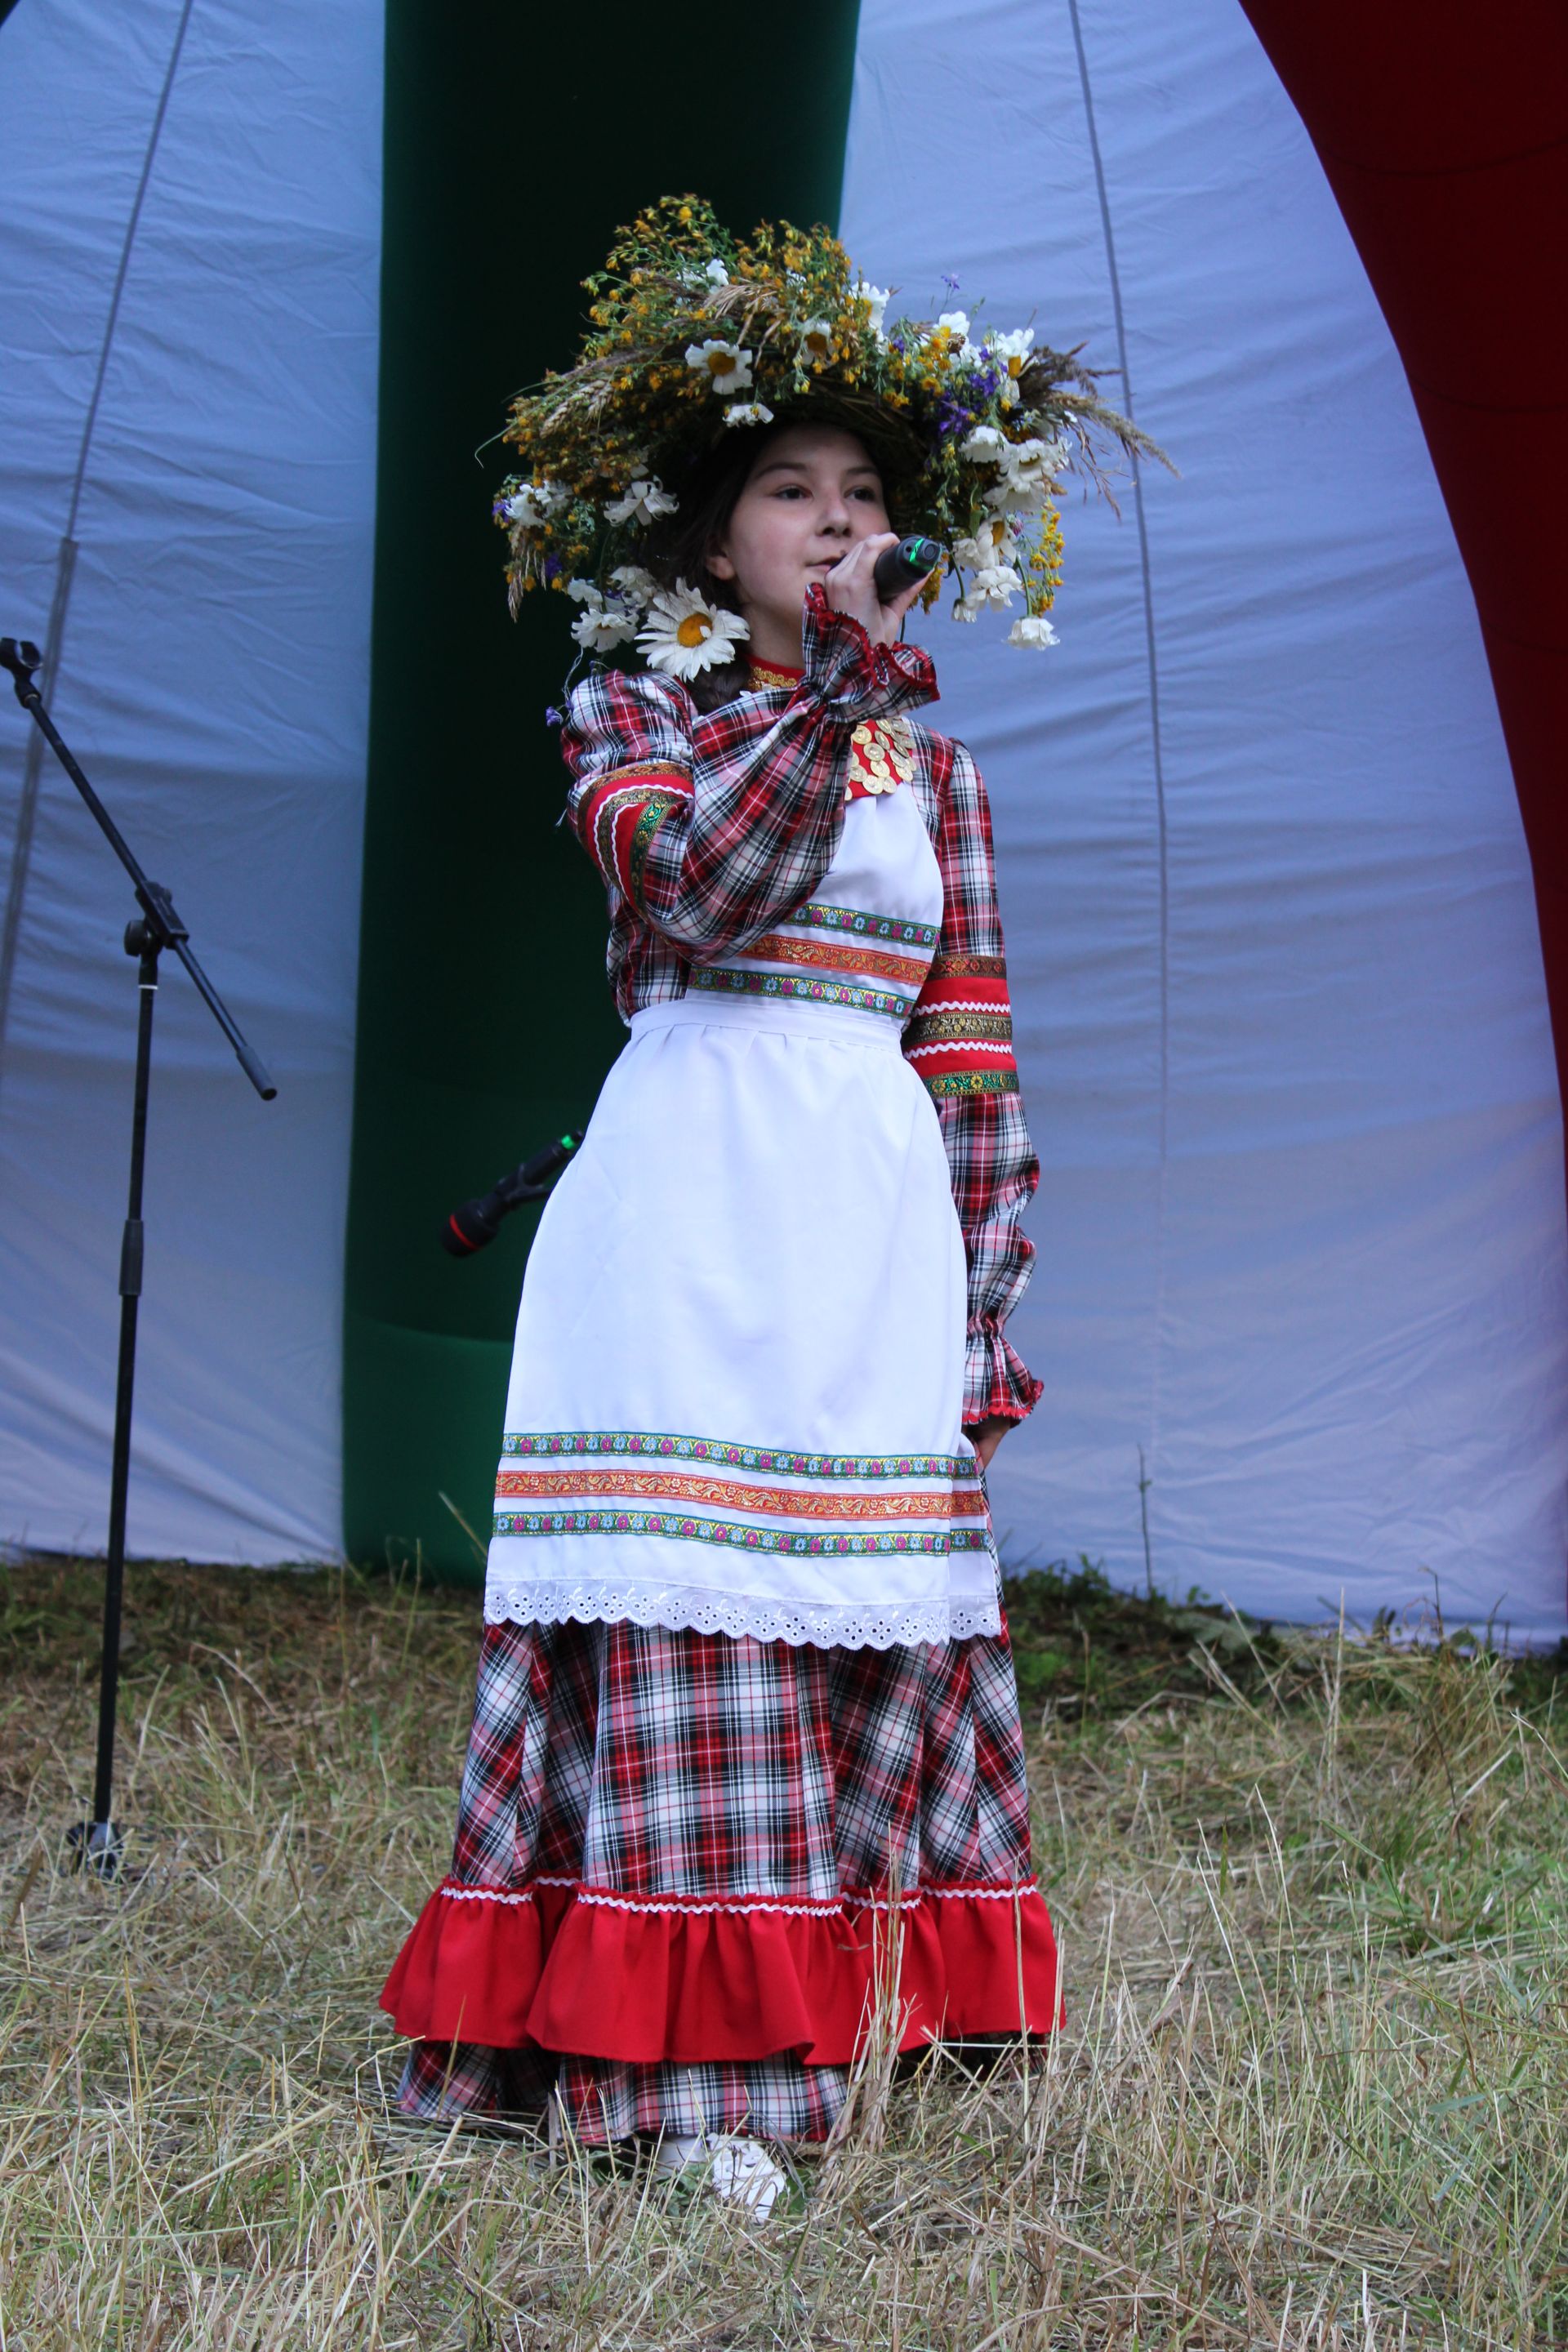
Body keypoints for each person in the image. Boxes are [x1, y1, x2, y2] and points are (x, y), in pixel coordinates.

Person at [380, 197, 1145, 2212]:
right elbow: (695, 894)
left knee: (861, 1599)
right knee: (688, 1605)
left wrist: (986, 1300)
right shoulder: (635, 713)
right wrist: (826, 693)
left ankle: (853, 2001)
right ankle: (682, 2078)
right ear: (716, 541)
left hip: (867, 1219)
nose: (833, 518)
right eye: (790, 492)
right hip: (690, 1209)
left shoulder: (939, 776)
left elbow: (969, 1054)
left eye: (865, 490)